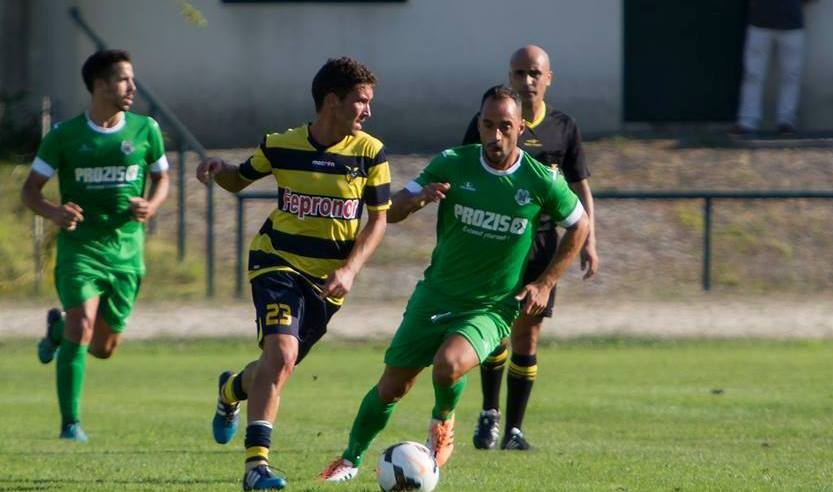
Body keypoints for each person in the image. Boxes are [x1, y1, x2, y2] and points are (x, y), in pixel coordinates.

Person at [320, 85, 589, 483]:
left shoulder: (540, 180)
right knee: (392, 386)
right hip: (435, 294)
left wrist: (546, 283)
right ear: (478, 124)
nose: (495, 136)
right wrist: (416, 201)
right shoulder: (451, 163)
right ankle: (350, 459)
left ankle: (442, 423)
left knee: (447, 366)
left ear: (520, 127)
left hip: (491, 306)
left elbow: (580, 224)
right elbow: (390, 211)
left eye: (505, 127)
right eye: (487, 125)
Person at [196, 57, 390, 491]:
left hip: (329, 282)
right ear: (332, 101)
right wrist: (217, 169)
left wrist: (350, 269)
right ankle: (256, 468)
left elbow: (378, 220)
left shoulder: (370, 152)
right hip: (276, 262)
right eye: (361, 101)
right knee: (281, 355)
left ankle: (231, 390)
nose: (368, 111)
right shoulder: (282, 144)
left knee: (276, 367)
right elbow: (239, 179)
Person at [22, 49, 170, 442]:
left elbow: (162, 179)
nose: (132, 87)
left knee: (103, 347)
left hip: (126, 252)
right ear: (100, 85)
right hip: (80, 250)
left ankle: (55, 335)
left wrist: (151, 205)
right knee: (81, 326)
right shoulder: (64, 136)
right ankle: (70, 424)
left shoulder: (145, 130)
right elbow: (30, 191)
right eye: (124, 79)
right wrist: (54, 213)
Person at [462, 45, 598, 450]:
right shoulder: (487, 122)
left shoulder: (563, 127)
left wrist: (590, 241)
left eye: (534, 73)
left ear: (548, 78)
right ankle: (489, 413)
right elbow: (466, 169)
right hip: (497, 240)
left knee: (527, 336)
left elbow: (579, 187)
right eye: (519, 73)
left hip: (541, 245)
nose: (526, 81)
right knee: (496, 333)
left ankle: (514, 431)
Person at [731, 0, 815, 135]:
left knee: (791, 75)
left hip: (791, 24)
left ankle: (786, 121)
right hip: (760, 23)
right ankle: (748, 121)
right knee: (753, 74)